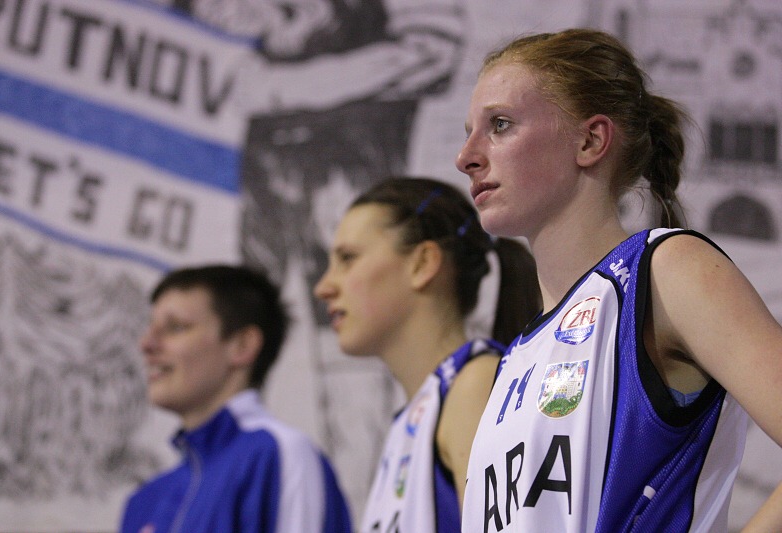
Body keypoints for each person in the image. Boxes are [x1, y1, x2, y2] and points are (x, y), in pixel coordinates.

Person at [454, 28, 782, 532]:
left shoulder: (666, 270)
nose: (466, 157)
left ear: (590, 140)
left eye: (500, 125)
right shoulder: (517, 357)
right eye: (469, 131)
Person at [313, 176, 542, 533]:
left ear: (422, 263)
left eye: (347, 258)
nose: (324, 287)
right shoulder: (416, 415)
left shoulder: (473, 386)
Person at [120, 265, 352, 533]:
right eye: (150, 327)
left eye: (176, 327)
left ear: (242, 346)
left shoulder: (276, 455)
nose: (147, 344)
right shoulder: (144, 502)